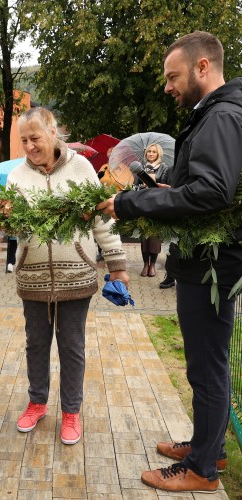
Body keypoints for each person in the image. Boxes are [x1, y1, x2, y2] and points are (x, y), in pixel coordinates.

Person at [97, 32, 242, 493]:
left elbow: (214, 191)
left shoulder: (221, 115)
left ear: (203, 67)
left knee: (207, 366)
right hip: (205, 260)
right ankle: (209, 445)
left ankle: (202, 469)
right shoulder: (216, 113)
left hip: (212, 264)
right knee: (204, 364)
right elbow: (203, 188)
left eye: (172, 77)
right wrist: (164, 193)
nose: (166, 86)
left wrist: (132, 205)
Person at [7, 108, 129, 445]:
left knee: (72, 346)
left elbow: (102, 220)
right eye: (24, 140)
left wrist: (118, 265)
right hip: (32, 277)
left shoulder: (82, 168)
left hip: (76, 275)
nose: (30, 146)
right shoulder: (17, 177)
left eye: (35, 138)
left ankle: (71, 411)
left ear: (53, 132)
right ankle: (37, 403)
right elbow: (11, 225)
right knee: (36, 345)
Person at [137, 144, 169, 277]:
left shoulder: (164, 168)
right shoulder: (140, 168)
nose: (150, 154)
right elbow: (135, 185)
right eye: (149, 151)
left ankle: (153, 265)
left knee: (155, 236)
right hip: (143, 203)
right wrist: (141, 186)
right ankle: (145, 264)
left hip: (157, 205)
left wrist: (155, 185)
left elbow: (167, 184)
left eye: (153, 152)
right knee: (144, 236)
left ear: (158, 154)